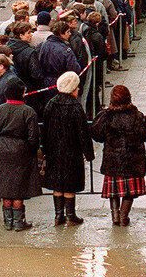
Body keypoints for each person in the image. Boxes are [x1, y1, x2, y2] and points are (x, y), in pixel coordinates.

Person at [91, 85, 146, 227]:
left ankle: (115, 216)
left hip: (112, 160)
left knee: (113, 191)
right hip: (133, 161)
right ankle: (123, 217)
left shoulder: (106, 116)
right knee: (129, 192)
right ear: (128, 98)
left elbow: (96, 134)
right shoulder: (137, 116)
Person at [0, 82, 40, 231]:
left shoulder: (0, 110)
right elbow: (33, 137)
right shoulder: (28, 111)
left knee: (5, 187)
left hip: (3, 149)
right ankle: (19, 222)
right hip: (21, 150)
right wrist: (33, 152)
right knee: (18, 188)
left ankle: (7, 222)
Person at [42, 71, 93, 226]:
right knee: (70, 184)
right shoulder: (76, 107)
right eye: (76, 87)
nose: (78, 89)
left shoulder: (51, 104)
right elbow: (83, 132)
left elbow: (44, 129)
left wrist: (44, 150)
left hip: (54, 151)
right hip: (72, 151)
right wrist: (88, 153)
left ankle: (58, 216)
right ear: (71, 88)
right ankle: (71, 216)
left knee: (57, 184)